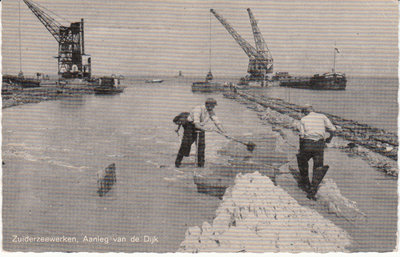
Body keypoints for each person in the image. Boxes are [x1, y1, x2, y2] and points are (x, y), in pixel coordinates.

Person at [297, 104, 336, 200]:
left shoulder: (303, 120)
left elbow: (301, 136)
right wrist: (329, 138)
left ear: (305, 112)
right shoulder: (322, 116)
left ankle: (305, 183)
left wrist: (301, 149)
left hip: (307, 143)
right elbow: (333, 129)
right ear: (313, 110)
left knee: (302, 161)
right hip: (319, 144)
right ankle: (313, 190)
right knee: (318, 166)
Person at [175, 98, 226, 168]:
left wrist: (224, 132)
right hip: (190, 126)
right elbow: (196, 125)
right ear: (208, 105)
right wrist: (208, 129)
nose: (214, 107)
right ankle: (177, 164)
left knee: (201, 147)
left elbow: (217, 122)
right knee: (185, 145)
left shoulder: (211, 111)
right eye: (213, 106)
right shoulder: (198, 109)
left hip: (201, 127)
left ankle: (201, 166)